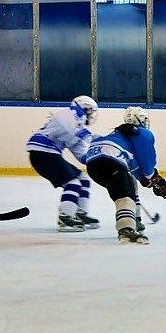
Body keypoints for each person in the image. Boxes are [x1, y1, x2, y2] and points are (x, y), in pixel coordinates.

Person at [85, 106, 166, 244]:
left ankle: (135, 220)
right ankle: (126, 230)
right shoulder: (142, 133)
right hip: (110, 161)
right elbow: (147, 161)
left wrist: (145, 180)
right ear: (142, 120)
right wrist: (153, 178)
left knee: (129, 183)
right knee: (125, 196)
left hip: (93, 164)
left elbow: (133, 165)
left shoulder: (120, 134)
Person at [26, 95, 101, 232]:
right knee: (73, 183)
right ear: (83, 107)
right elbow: (73, 128)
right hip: (42, 152)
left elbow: (82, 155)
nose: (91, 115)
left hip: (49, 153)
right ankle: (65, 217)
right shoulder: (69, 113)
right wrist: (92, 138)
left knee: (83, 179)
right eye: (90, 111)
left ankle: (79, 213)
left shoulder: (77, 128)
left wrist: (99, 155)